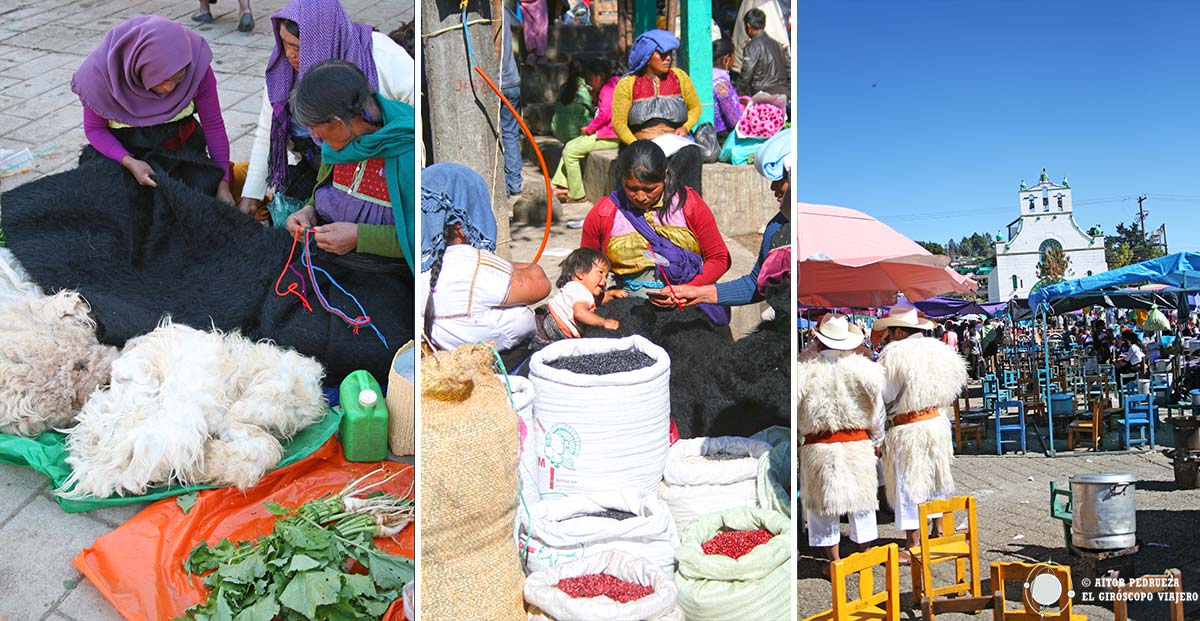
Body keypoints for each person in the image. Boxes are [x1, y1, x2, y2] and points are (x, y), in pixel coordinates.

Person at [237, 0, 416, 219]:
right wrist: (250, 198)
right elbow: (267, 134)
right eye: (284, 43)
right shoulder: (282, 73)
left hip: (383, 171)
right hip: (320, 169)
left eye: (298, 47)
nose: (289, 54)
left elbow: (414, 120)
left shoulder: (381, 55)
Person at [72, 15, 233, 204]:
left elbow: (213, 125)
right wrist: (129, 162)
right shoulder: (99, 78)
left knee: (196, 200)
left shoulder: (197, 70)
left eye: (179, 79)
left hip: (179, 149)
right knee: (111, 201)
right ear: (138, 69)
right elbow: (94, 129)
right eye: (161, 82)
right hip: (124, 152)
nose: (170, 89)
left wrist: (223, 183)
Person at [283, 60, 415, 269]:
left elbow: (418, 235)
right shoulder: (337, 145)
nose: (314, 136)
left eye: (314, 127)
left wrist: (360, 237)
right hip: (329, 256)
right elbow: (326, 187)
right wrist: (309, 210)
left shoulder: (408, 150)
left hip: (383, 271)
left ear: (338, 123)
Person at [580, 140, 730, 324]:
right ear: (622, 179)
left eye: (650, 189)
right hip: (630, 310)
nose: (641, 197)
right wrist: (603, 295)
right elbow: (584, 268)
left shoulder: (689, 204)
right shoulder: (604, 213)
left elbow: (720, 258)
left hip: (688, 304)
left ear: (665, 176)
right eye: (632, 188)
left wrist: (685, 291)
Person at [654, 128, 791, 309]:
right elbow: (755, 285)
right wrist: (696, 293)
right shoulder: (776, 230)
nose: (773, 187)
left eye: (780, 180)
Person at [422, 163, 551, 354]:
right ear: (460, 226)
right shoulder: (472, 263)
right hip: (497, 361)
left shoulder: (421, 262)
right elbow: (540, 284)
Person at [873, 306, 968, 561]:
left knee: (908, 485)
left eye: (891, 332)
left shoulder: (893, 355)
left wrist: (878, 435)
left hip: (908, 427)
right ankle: (939, 531)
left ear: (900, 331)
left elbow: (883, 398)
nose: (888, 338)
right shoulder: (939, 350)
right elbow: (956, 386)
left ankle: (914, 542)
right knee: (935, 478)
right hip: (936, 422)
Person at [796, 314, 885, 566]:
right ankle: (865, 554)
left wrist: (796, 443)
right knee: (862, 502)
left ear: (819, 342)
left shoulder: (803, 372)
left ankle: (833, 561)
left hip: (818, 446)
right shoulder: (865, 370)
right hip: (857, 444)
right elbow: (878, 412)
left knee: (823, 506)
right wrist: (877, 441)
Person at [611, 30, 705, 195]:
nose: (667, 58)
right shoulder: (627, 84)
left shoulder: (679, 77)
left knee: (693, 154)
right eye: (662, 54)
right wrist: (637, 145)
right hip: (640, 145)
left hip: (675, 143)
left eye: (669, 53)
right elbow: (619, 124)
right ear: (647, 57)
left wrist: (685, 127)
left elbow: (695, 107)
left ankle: (688, 206)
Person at [551, 58, 620, 203]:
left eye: (590, 78)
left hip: (610, 136)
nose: (589, 82)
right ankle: (562, 185)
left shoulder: (608, 88)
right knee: (570, 145)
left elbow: (605, 114)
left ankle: (577, 194)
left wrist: (589, 129)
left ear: (599, 76)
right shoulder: (611, 85)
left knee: (570, 152)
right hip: (606, 133)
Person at [536, 248, 627, 342]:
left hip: (554, 328)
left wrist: (611, 294)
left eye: (606, 276)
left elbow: (597, 300)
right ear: (580, 274)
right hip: (547, 327)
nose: (604, 280)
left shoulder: (580, 291)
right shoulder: (578, 290)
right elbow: (580, 313)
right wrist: (603, 322)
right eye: (600, 272)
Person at [735, 8, 789, 97]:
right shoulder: (778, 45)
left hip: (761, 95)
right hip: (782, 94)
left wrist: (737, 92)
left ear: (748, 26)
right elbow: (789, 70)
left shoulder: (752, 46)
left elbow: (747, 72)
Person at [500, 4, 524, 196]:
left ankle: (504, 185)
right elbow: (519, 25)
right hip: (512, 81)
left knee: (497, 134)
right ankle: (514, 182)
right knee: (510, 133)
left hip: (495, 84)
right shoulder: (502, 8)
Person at [551, 58, 594, 144]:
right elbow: (592, 110)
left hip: (557, 131)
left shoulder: (562, 88)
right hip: (575, 134)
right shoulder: (585, 90)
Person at [711, 38, 744, 143]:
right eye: (733, 58)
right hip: (722, 136)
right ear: (727, 59)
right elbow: (733, 119)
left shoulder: (708, 77)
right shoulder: (721, 83)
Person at [519, 0, 548, 65]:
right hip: (523, 4)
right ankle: (531, 53)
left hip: (539, 3)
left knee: (540, 27)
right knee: (527, 28)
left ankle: (541, 54)